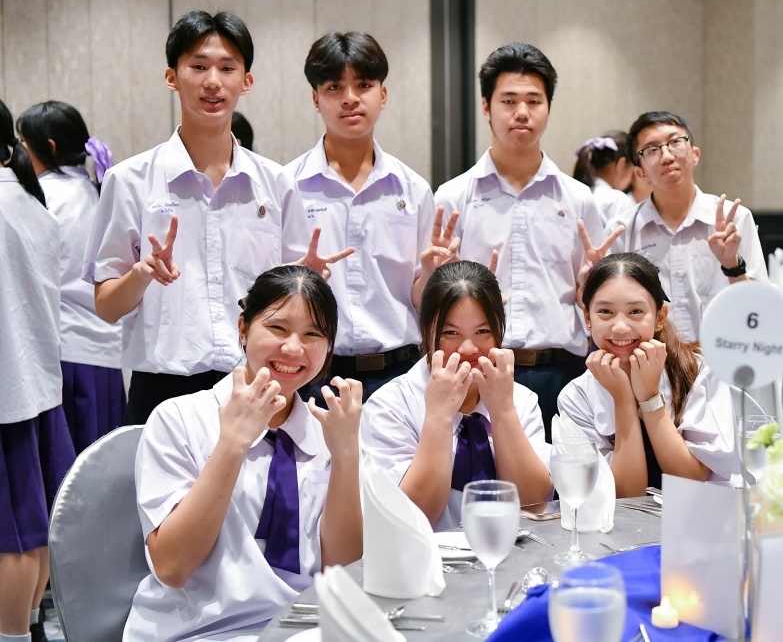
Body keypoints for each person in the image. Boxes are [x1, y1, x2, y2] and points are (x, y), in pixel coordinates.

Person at [83, 10, 350, 426]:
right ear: (172, 77)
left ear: (247, 81)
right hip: (161, 389)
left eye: (227, 68)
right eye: (198, 66)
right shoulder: (129, 180)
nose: (213, 81)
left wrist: (306, 280)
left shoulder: (275, 183)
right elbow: (106, 307)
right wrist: (141, 274)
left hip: (258, 383)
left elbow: (293, 299)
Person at [124, 265, 363, 641]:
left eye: (313, 334)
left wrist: (347, 457)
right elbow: (172, 567)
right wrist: (233, 443)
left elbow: (344, 569)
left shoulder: (329, 430)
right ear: (243, 328)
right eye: (278, 328)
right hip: (199, 630)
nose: (294, 348)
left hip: (307, 629)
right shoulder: (180, 419)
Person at [435, 42, 619, 438]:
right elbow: (433, 297)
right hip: (478, 371)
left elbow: (594, 296)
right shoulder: (453, 197)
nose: (522, 112)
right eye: (509, 101)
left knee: (559, 475)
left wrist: (591, 288)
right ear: (486, 107)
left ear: (548, 108)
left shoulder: (578, 199)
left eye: (534, 101)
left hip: (562, 373)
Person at [288, 31, 452, 401]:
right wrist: (297, 278)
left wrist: (431, 274)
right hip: (313, 373)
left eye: (363, 85)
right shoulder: (288, 187)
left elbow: (420, 298)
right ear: (316, 99)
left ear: (383, 95)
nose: (350, 98)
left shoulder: (412, 190)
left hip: (400, 372)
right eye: (334, 87)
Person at [360, 260, 552, 531]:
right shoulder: (389, 406)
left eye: (483, 331)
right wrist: (439, 416)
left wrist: (503, 411)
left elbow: (534, 504)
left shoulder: (521, 399)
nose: (468, 348)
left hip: (507, 548)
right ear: (425, 331)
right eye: (451, 333)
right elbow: (407, 519)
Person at [557, 253, 737, 496]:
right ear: (588, 318)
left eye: (635, 311)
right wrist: (623, 399)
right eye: (606, 311)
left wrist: (649, 396)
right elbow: (625, 495)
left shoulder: (698, 371)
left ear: (660, 317)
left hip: (700, 514)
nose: (620, 327)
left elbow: (692, 479)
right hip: (622, 520)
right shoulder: (576, 396)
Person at [0, 98, 76, 642]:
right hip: (35, 380)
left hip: (9, 388)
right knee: (33, 523)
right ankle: (26, 627)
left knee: (11, 534)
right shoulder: (29, 200)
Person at [18, 101, 126, 453]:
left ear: (49, 147)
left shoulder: (43, 196)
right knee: (104, 466)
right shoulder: (97, 190)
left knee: (68, 472)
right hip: (107, 358)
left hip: (66, 356)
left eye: (23, 143)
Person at [607, 111, 767, 343]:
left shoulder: (735, 220)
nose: (667, 156)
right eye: (652, 150)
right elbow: (613, 313)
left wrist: (732, 265)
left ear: (695, 154)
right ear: (640, 172)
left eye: (675, 142)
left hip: (721, 358)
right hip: (651, 361)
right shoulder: (622, 230)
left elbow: (761, 309)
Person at [572, 131, 635, 225]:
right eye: (632, 172)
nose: (632, 180)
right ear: (621, 164)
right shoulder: (618, 201)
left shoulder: (575, 193)